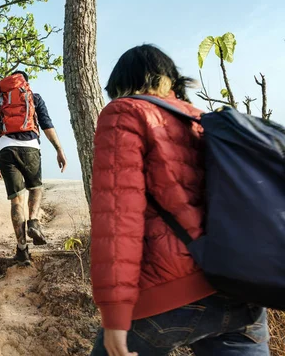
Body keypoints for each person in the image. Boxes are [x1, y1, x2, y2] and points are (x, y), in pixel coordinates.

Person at [89, 45, 269, 356]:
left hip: (169, 295)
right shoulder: (205, 121)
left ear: (120, 85)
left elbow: (118, 218)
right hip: (239, 287)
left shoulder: (124, 113)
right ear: (171, 81)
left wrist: (116, 312)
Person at [0, 70, 67, 265]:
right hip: (30, 146)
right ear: (25, 83)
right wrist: (59, 149)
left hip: (6, 148)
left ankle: (22, 249)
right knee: (36, 187)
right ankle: (33, 221)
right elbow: (47, 124)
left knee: (16, 201)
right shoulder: (33, 97)